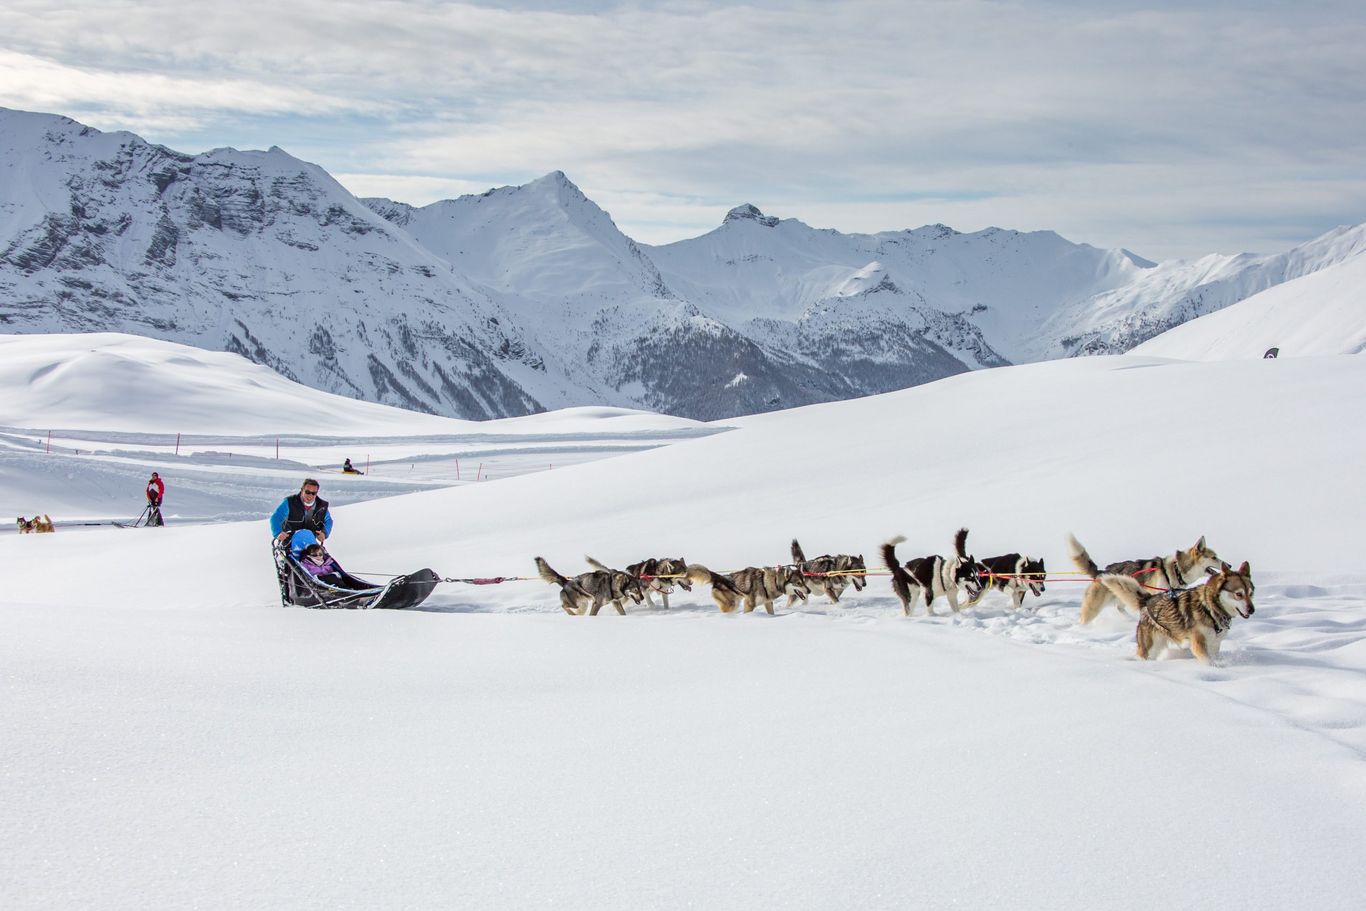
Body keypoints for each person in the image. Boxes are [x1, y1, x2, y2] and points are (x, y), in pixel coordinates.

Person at [270, 478, 332, 552]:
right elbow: (276, 517)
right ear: (302, 490)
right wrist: (278, 532)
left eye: (313, 493)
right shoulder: (290, 502)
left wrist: (324, 533)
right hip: (289, 543)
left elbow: (328, 521)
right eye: (307, 492)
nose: (310, 496)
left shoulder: (321, 506)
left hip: (310, 543)